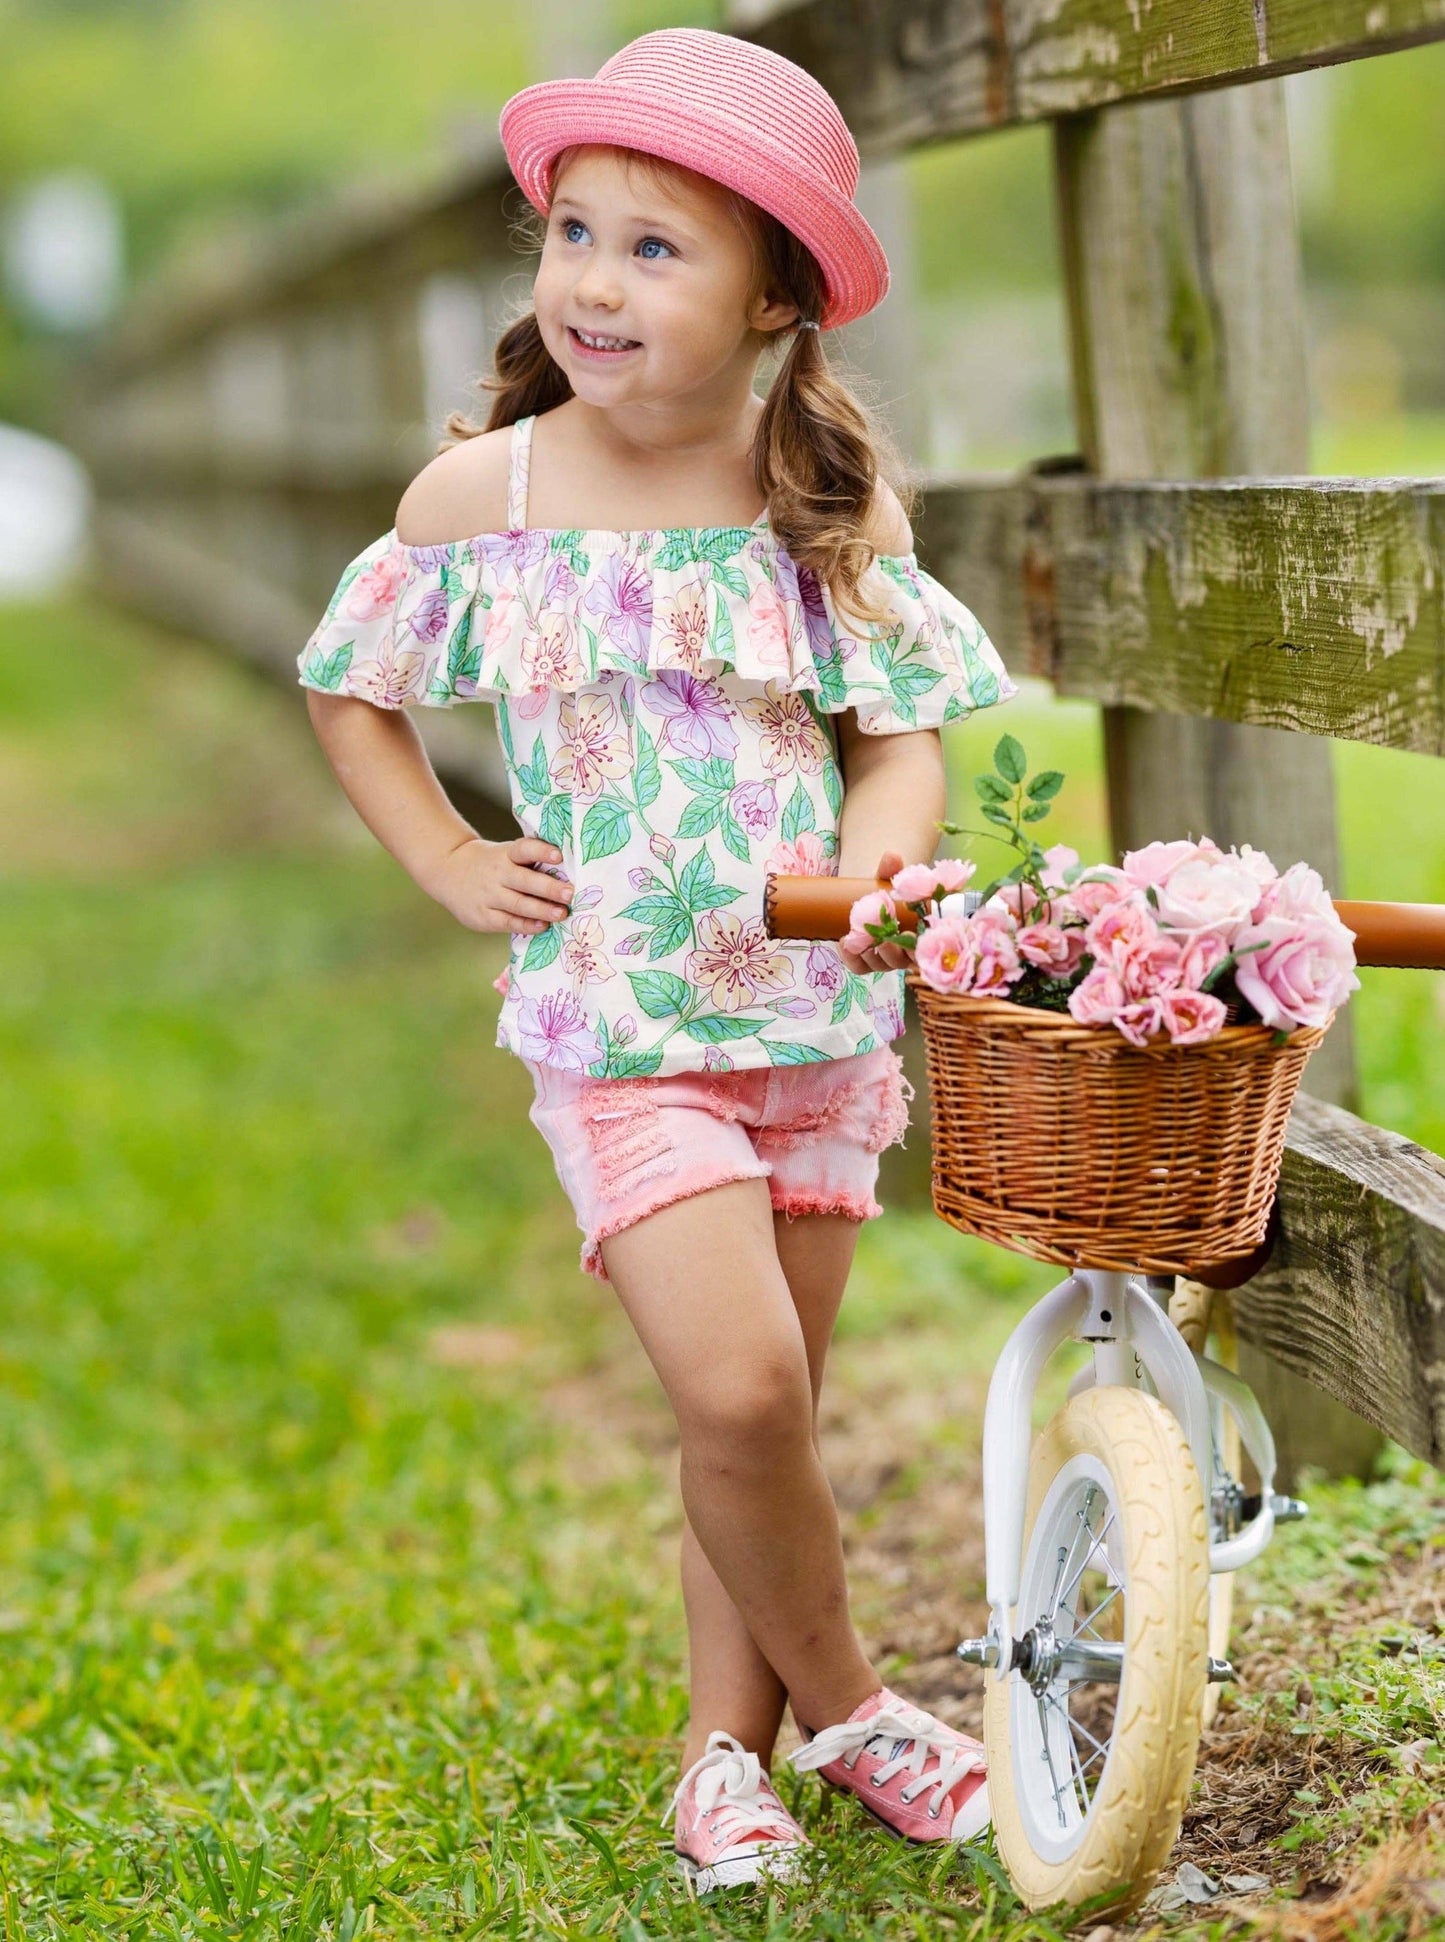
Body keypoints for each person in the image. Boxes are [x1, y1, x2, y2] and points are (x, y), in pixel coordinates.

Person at [298, 25, 1016, 1898]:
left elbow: (901, 729)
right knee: (742, 1397)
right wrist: (449, 851)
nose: (591, 285)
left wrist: (880, 861)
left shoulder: (816, 502)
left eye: (653, 248)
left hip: (809, 1014)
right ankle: (858, 1706)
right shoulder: (496, 500)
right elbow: (350, 686)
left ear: (775, 291)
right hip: (624, 1023)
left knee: (760, 1412)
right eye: (571, 235)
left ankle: (726, 1761)